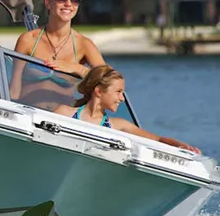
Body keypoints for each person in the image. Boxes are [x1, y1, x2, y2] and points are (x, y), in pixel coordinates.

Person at [54, 65, 201, 153]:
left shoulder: (119, 125)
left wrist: (181, 146)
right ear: (99, 91)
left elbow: (158, 140)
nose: (122, 98)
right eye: (118, 92)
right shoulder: (63, 113)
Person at [9, 0, 106, 109]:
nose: (68, 3)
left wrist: (79, 69)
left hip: (62, 122)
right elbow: (14, 86)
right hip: (29, 114)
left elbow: (110, 80)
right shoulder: (28, 40)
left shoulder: (84, 44)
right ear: (48, 2)